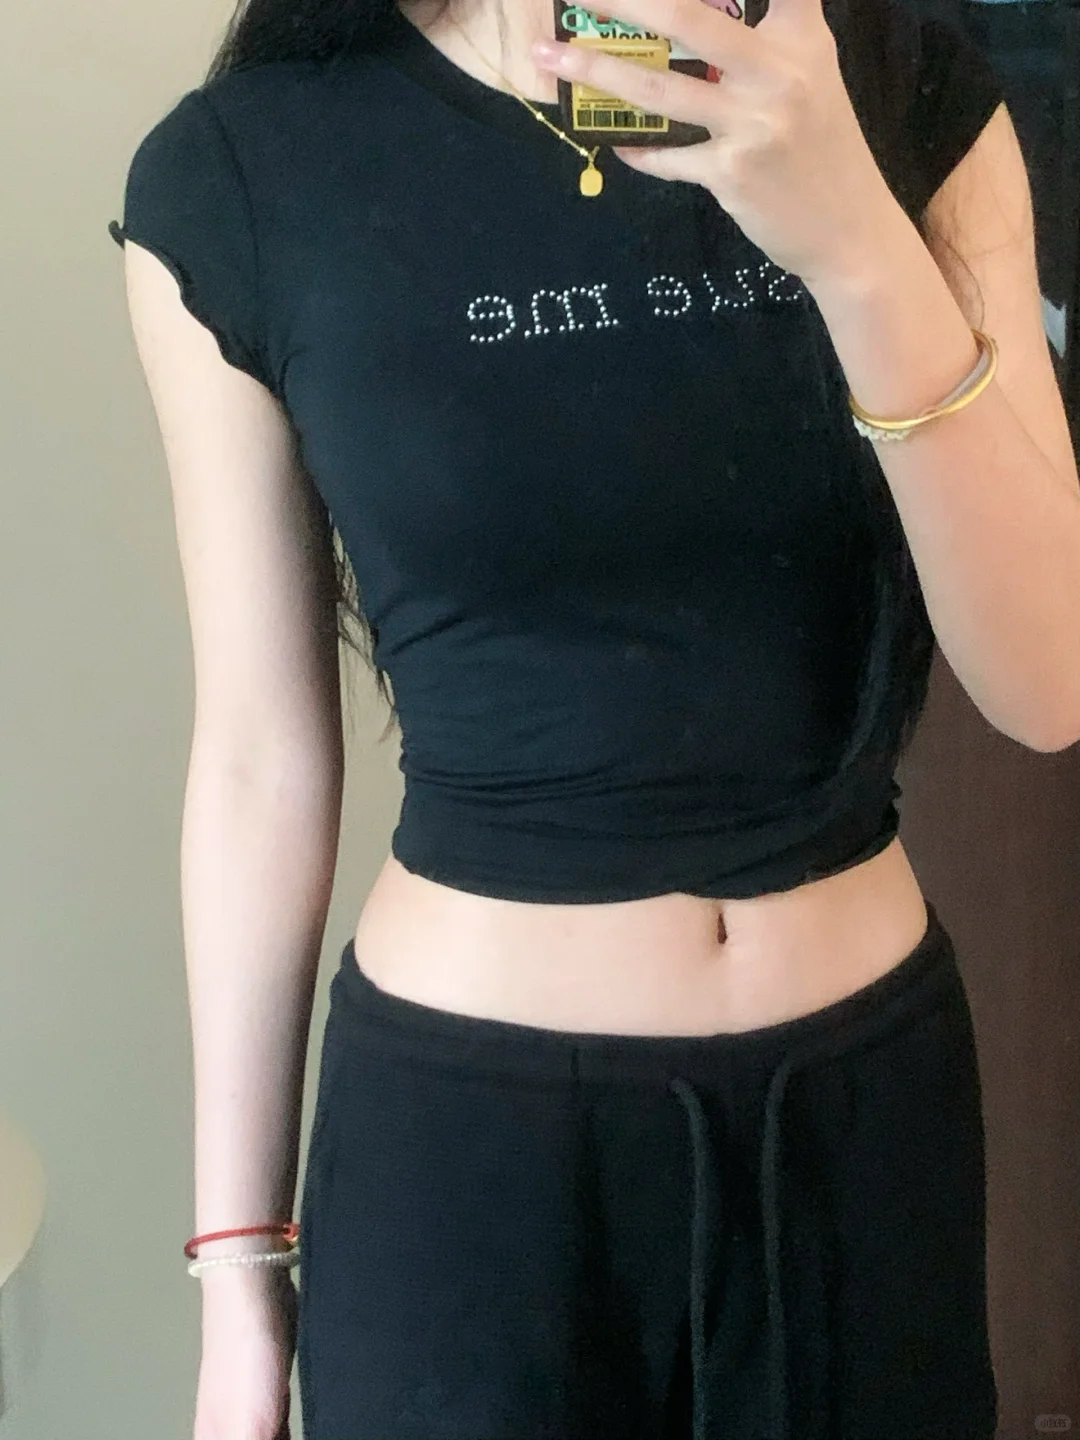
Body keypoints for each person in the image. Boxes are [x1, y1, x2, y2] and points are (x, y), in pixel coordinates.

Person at [107, 0, 1054, 1431]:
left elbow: (1048, 684)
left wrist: (857, 240)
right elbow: (257, 758)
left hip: (863, 1128)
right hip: (471, 1168)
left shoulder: (908, 93)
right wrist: (240, 1283)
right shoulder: (243, 171)